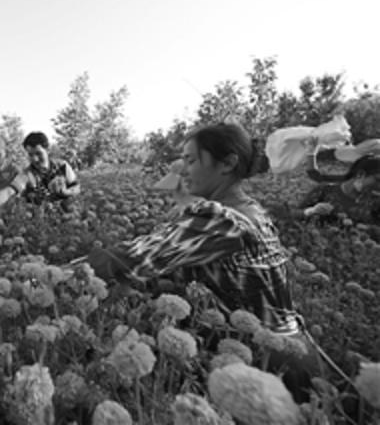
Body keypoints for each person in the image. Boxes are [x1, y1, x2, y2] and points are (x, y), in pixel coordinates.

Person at [73, 123, 319, 402]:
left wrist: (55, 274)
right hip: (289, 355)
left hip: (268, 368)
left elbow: (131, 258)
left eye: (191, 160)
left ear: (227, 164)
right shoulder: (249, 211)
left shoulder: (223, 221)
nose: (182, 170)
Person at [0, 132, 80, 225]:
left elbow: (76, 188)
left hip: (68, 219)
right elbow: (8, 192)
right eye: (30, 155)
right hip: (41, 224)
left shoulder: (62, 166)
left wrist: (66, 192)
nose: (35, 159)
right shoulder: (26, 174)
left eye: (38, 153)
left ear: (47, 149)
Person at [296, 139, 380, 234]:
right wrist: (312, 211)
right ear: (360, 174)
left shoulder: (375, 201)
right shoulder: (327, 190)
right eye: (378, 180)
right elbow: (315, 175)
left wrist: (371, 229)